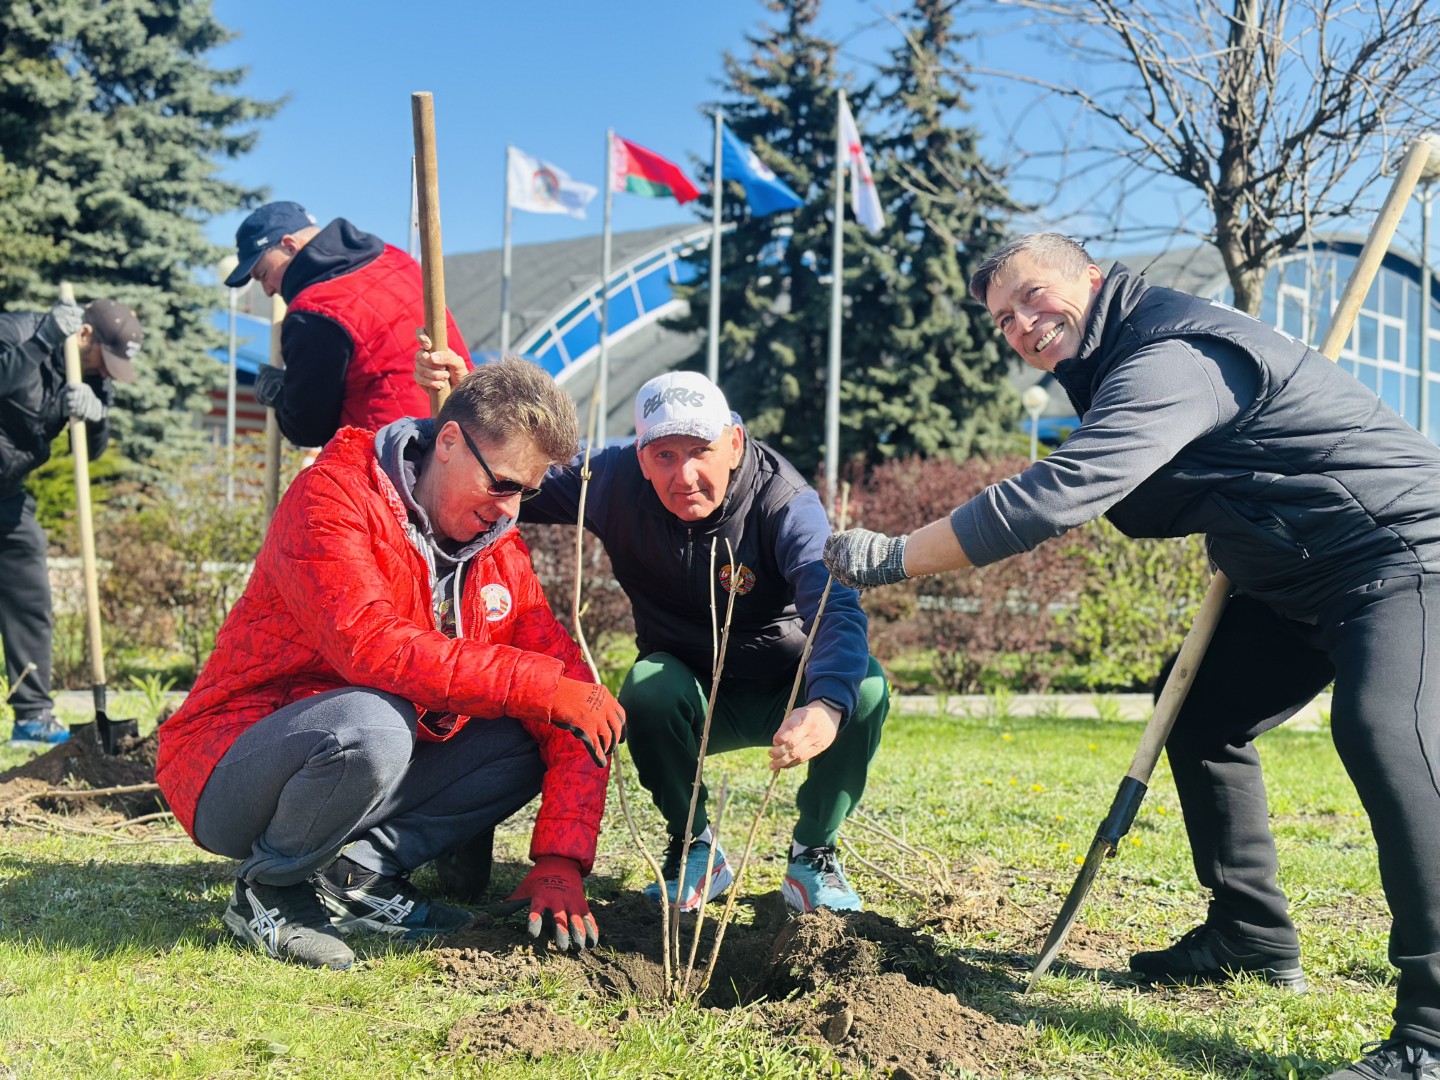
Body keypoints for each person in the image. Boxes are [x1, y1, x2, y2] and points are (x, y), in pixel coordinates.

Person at [822, 231, 1440, 1079]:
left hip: (1404, 556)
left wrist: (894, 556)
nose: (1024, 325)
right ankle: (1250, 933)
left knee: (1385, 737)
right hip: (1299, 578)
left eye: (1035, 296)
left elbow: (1054, 496)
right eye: (1004, 319)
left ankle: (1431, 1034)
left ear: (1093, 278)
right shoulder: (1117, 363)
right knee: (1198, 715)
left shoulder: (1172, 355)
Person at [156, 357, 625, 971]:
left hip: (361, 762)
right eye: (504, 485)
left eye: (526, 493)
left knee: (531, 725)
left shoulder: (497, 550)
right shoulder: (333, 495)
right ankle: (269, 888)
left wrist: (561, 858)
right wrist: (538, 685)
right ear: (450, 442)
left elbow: (571, 694)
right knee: (374, 721)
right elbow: (370, 646)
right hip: (231, 762)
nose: (511, 511)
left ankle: (359, 876)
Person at [416, 351, 890, 914]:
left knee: (861, 688)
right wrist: (466, 403)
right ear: (640, 458)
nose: (683, 475)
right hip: (686, 695)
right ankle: (694, 847)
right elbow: (510, 461)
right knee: (646, 684)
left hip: (785, 689)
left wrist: (826, 705)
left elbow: (833, 600)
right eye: (664, 455)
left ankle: (813, 853)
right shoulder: (612, 482)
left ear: (735, 443)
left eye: (700, 453)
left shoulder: (784, 503)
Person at [1, 297, 141, 746]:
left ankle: (33, 715)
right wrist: (41, 343)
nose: (107, 373)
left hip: (6, 491)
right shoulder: (18, 333)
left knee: (30, 593)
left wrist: (97, 416)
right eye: (108, 359)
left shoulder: (92, 375)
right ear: (84, 336)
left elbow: (91, 450)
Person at [223, 201, 472, 448]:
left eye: (263, 274)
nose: (267, 291)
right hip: (462, 434)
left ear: (289, 245)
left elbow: (307, 428)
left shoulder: (314, 310)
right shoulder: (394, 258)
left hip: (396, 460)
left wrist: (279, 394)